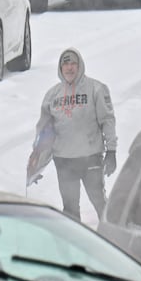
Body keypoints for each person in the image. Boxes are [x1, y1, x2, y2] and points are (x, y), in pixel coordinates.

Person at [31, 48, 116, 222]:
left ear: (80, 66)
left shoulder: (96, 89)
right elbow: (44, 132)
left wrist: (112, 151)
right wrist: (36, 164)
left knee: (98, 201)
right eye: (65, 64)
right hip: (64, 160)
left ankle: (112, 239)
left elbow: (107, 120)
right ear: (60, 68)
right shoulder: (52, 95)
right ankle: (74, 245)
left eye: (73, 64)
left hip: (91, 157)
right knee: (70, 208)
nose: (69, 68)